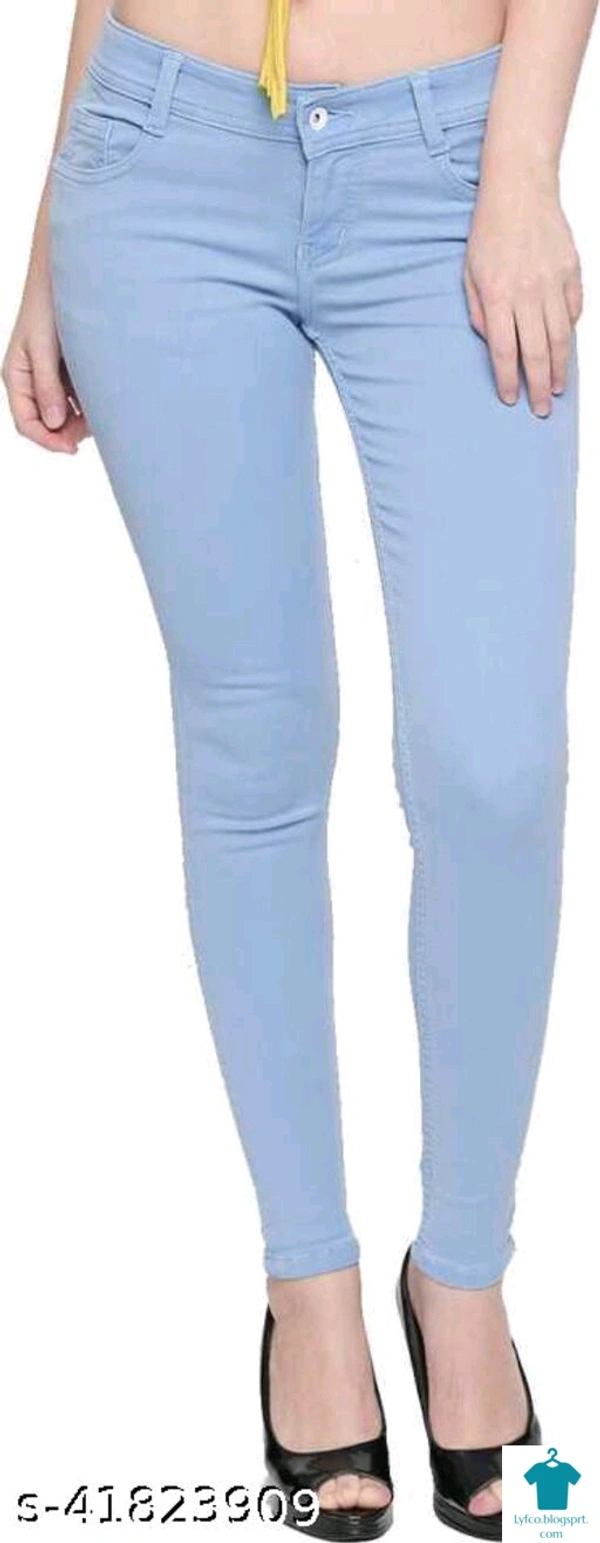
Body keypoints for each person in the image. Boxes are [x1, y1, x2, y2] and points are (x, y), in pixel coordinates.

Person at [2, 0, 595, 1537]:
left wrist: (524, 163)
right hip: (157, 157)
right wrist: (54, 223)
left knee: (493, 765)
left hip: (450, 153)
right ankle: (308, 1283)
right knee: (252, 742)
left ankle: (461, 1273)